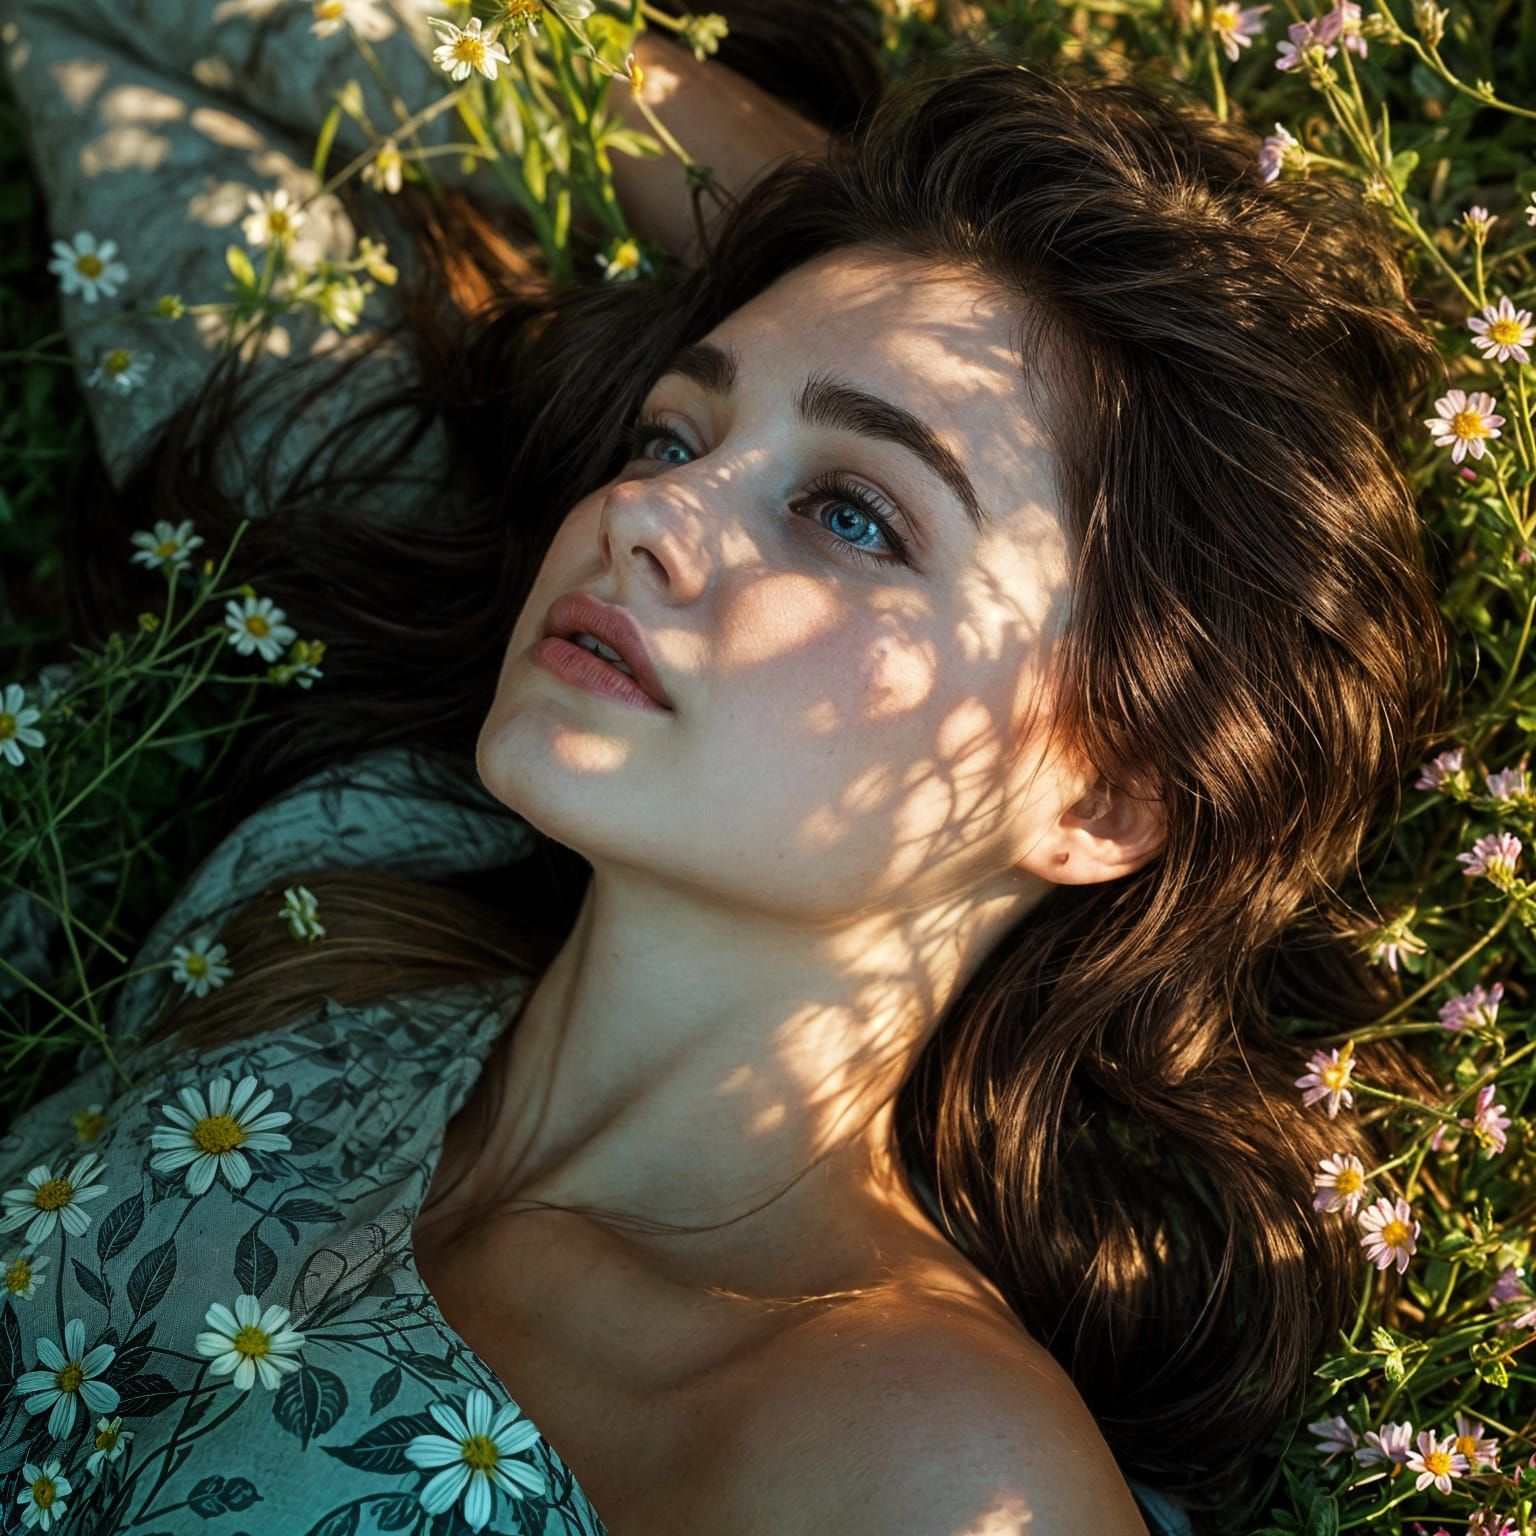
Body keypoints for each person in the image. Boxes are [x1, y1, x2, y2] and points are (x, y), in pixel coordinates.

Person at [0, 1, 1448, 1533]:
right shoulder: (358, 876)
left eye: (853, 515)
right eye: (675, 434)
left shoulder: (929, 1473)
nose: (649, 513)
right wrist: (860, 208)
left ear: (1104, 795)